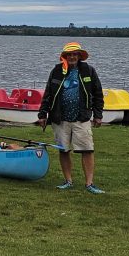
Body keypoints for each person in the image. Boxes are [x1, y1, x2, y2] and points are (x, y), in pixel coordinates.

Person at [38, 42, 105, 194]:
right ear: (65, 57)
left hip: (82, 118)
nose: (72, 57)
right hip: (60, 118)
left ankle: (89, 183)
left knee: (87, 149)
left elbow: (98, 94)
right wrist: (42, 114)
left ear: (80, 56)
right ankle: (68, 181)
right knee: (64, 150)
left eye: (75, 54)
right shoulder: (56, 71)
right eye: (69, 54)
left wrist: (98, 115)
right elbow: (48, 94)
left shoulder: (88, 71)